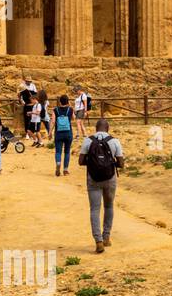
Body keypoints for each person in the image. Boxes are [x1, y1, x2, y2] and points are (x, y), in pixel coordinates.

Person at [79, 119, 125, 254]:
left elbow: (81, 161)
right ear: (108, 128)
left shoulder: (88, 141)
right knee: (109, 206)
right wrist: (110, 164)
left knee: (94, 209)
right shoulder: (114, 141)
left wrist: (94, 163)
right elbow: (121, 163)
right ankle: (106, 237)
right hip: (110, 178)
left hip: (93, 179)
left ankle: (98, 241)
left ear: (96, 128)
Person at [52, 95, 74, 177]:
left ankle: (58, 162)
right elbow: (74, 118)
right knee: (67, 151)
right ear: (67, 102)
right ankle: (65, 170)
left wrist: (50, 132)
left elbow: (53, 121)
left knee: (58, 151)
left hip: (58, 133)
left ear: (60, 102)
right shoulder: (70, 110)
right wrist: (70, 107)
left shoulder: (55, 110)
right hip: (68, 133)